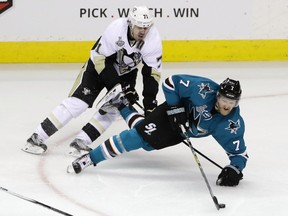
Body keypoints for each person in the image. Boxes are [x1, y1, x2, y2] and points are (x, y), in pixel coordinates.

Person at [22, 5, 162, 156]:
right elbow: (99, 59)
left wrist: (150, 107)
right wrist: (118, 86)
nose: (143, 31)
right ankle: (35, 138)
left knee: (113, 108)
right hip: (98, 67)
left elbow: (151, 74)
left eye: (146, 27)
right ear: (130, 23)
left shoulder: (153, 39)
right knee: (78, 103)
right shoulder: (116, 29)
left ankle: (80, 142)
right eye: (139, 26)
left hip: (126, 74)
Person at [67, 74, 249, 187]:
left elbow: (240, 154)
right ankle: (90, 159)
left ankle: (121, 104)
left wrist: (234, 168)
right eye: (225, 100)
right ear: (218, 95)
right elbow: (171, 83)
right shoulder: (204, 89)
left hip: (181, 131)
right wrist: (176, 109)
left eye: (232, 102)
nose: (227, 105)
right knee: (135, 138)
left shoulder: (231, 123)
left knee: (147, 144)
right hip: (171, 114)